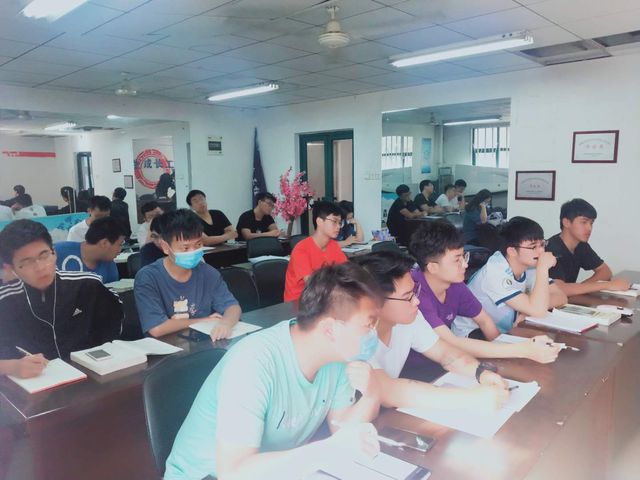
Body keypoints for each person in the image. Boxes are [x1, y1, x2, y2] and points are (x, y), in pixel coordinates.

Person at [165, 262, 382, 480]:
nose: (374, 333)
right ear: (329, 329)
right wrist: (325, 451)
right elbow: (233, 472)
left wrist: (372, 394)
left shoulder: (337, 358)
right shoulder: (253, 362)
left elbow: (343, 429)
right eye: (368, 325)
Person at [354, 251, 511, 411]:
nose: (416, 301)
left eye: (415, 292)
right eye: (408, 296)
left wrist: (481, 372)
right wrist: (472, 399)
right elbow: (387, 390)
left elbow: (444, 353)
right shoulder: (356, 334)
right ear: (374, 303)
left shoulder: (409, 318)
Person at [408, 221, 560, 362]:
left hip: (445, 355)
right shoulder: (414, 292)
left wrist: (506, 354)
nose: (465, 265)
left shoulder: (455, 284)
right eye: (457, 260)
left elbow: (484, 320)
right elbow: (451, 342)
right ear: (433, 267)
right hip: (418, 365)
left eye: (464, 256)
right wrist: (522, 350)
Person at [0, 219, 123, 363]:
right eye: (26, 262)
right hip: (36, 375)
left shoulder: (87, 285)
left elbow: (114, 323)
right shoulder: (5, 301)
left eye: (44, 255)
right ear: (12, 268)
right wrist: (14, 366)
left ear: (54, 253)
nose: (40, 267)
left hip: (91, 369)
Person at [453, 217, 568, 339]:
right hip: (471, 334)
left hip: (503, 330)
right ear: (512, 251)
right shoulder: (495, 272)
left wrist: (529, 309)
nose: (541, 251)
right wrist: (543, 269)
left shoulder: (529, 266)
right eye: (533, 247)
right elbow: (538, 310)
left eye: (542, 244)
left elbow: (561, 297)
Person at [134, 209, 241, 339]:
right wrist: (205, 320)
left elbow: (232, 307)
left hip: (202, 342)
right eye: (185, 248)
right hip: (165, 347)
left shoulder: (208, 273)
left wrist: (225, 323)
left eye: (198, 244)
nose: (193, 251)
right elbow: (156, 328)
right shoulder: (148, 277)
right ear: (166, 247)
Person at [546, 199, 630, 296]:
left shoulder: (581, 245)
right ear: (566, 222)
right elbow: (558, 289)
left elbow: (605, 271)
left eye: (591, 223)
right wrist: (607, 285)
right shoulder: (551, 249)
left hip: (565, 300)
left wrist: (579, 289)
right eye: (584, 222)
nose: (589, 228)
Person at [284, 201, 347, 302]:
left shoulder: (333, 245)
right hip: (299, 302)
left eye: (340, 223)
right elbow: (312, 285)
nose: (338, 226)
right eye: (334, 221)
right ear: (319, 221)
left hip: (324, 297)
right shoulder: (301, 249)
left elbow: (346, 271)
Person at [55, 217, 125, 284]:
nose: (120, 250)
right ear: (104, 243)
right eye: (120, 244)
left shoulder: (109, 266)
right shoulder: (58, 252)